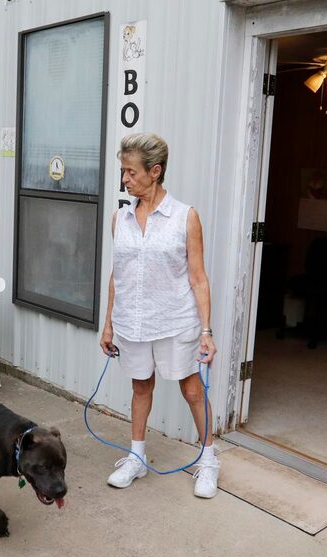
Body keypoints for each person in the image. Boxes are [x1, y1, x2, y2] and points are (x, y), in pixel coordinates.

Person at [99, 133, 219, 498]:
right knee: (140, 386)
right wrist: (108, 324)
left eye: (130, 172)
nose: (125, 180)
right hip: (133, 322)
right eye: (123, 172)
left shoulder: (185, 217)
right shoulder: (120, 218)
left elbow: (198, 278)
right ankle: (136, 457)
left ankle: (209, 460)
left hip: (175, 321)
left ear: (155, 171)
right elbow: (117, 275)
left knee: (192, 388)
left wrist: (206, 331)